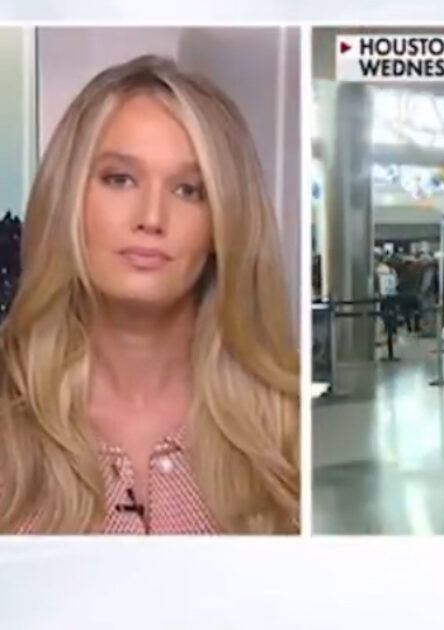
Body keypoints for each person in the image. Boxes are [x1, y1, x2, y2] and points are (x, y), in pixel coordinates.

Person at [0, 56, 298, 534]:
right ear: (69, 197)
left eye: (188, 190)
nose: (152, 217)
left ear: (224, 221)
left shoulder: (290, 427)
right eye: (120, 179)